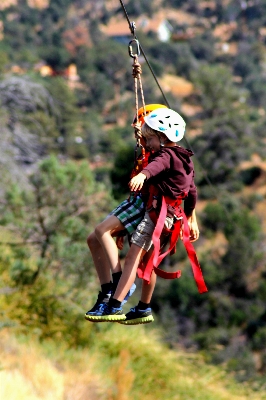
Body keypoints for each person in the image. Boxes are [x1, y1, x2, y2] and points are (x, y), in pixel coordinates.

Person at [85, 107, 205, 323]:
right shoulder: (185, 158)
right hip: (172, 217)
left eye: (149, 139)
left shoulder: (166, 155)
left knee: (133, 257)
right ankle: (142, 308)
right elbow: (193, 192)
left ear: (161, 137)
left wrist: (143, 175)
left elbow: (156, 165)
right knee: (147, 261)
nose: (146, 144)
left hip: (158, 215)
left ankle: (114, 305)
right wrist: (188, 217)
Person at [85, 104, 168, 318]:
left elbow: (186, 183)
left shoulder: (160, 151)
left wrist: (191, 217)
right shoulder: (147, 148)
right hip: (138, 200)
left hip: (147, 204)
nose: (138, 135)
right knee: (94, 239)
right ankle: (108, 292)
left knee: (143, 258)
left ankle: (119, 285)